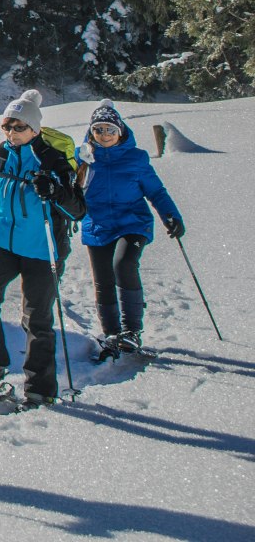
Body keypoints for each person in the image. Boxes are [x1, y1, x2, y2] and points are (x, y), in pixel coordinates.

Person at [0, 89, 86, 406]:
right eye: (7, 127)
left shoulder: (52, 161)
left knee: (37, 319)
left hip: (42, 249)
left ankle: (40, 389)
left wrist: (54, 191)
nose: (12, 133)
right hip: (1, 244)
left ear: (34, 128)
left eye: (19, 127)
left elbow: (77, 210)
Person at [80, 100, 184, 359]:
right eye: (98, 130)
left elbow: (156, 191)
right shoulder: (82, 159)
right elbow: (70, 191)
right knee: (103, 279)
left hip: (133, 222)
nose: (104, 135)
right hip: (97, 225)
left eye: (110, 130)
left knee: (123, 264)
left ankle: (132, 331)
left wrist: (170, 216)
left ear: (120, 131)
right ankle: (112, 333)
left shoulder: (136, 158)